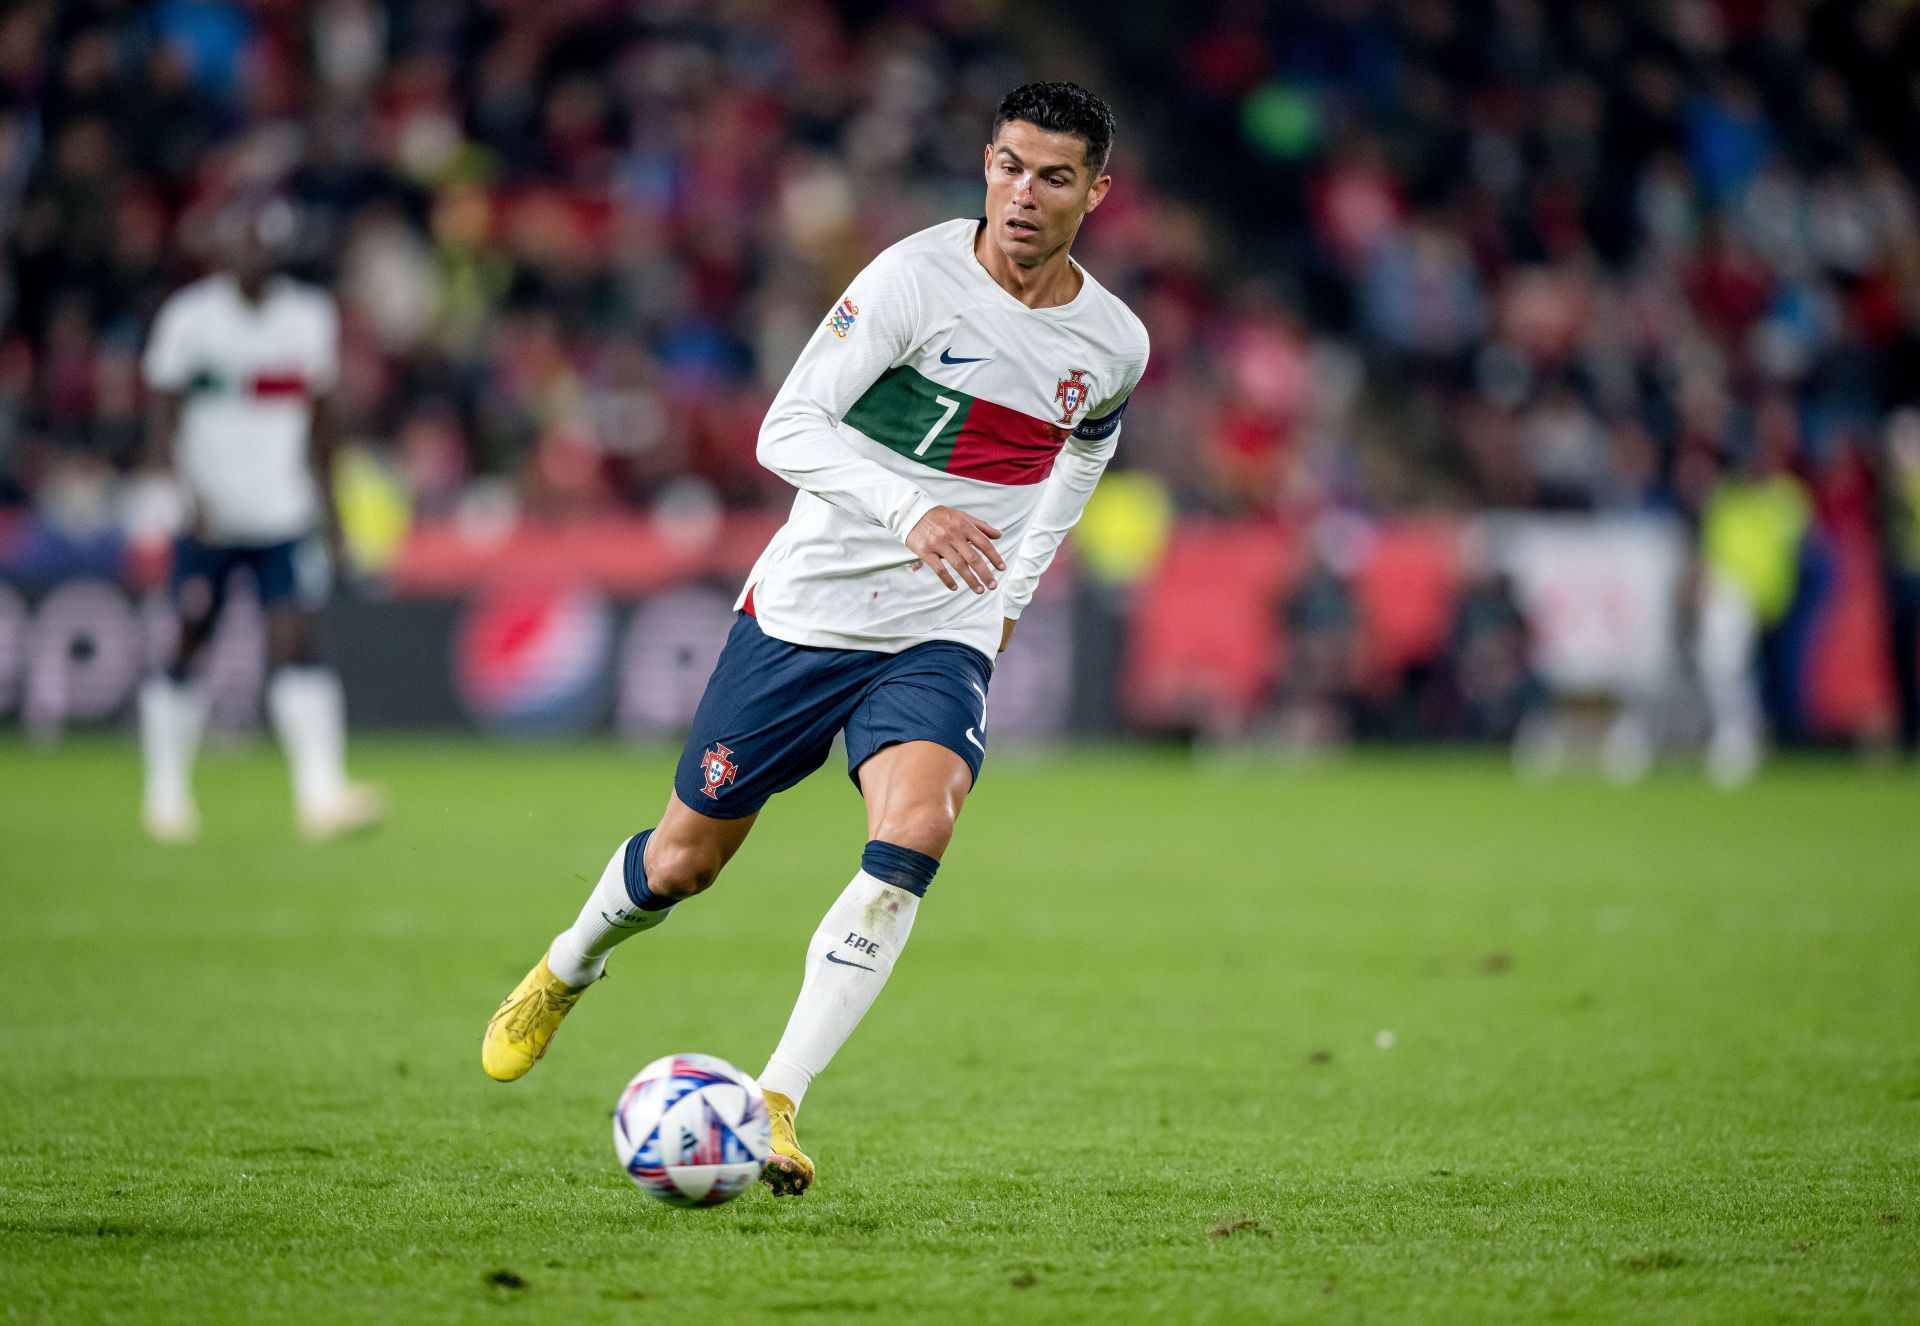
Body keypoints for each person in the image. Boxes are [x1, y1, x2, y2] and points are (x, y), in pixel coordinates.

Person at [480, 82, 1149, 1196]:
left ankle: (777, 1100)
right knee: (684, 861)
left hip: (942, 628)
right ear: (985, 164)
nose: (1024, 196)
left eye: (1054, 177)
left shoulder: (1113, 342)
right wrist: (912, 511)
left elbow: (1083, 454)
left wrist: (1015, 587)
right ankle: (568, 964)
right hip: (808, 611)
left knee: (920, 827)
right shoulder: (910, 280)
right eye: (1009, 168)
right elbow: (784, 428)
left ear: (1097, 192)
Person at [138, 198, 384, 842]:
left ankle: (320, 793)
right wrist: (179, 489)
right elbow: (160, 411)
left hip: (282, 509)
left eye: (263, 244)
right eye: (242, 243)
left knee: (296, 638)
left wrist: (333, 517)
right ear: (222, 250)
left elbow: (322, 423)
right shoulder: (190, 318)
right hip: (211, 513)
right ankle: (165, 793)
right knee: (191, 633)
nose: (253, 255)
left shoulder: (306, 317)